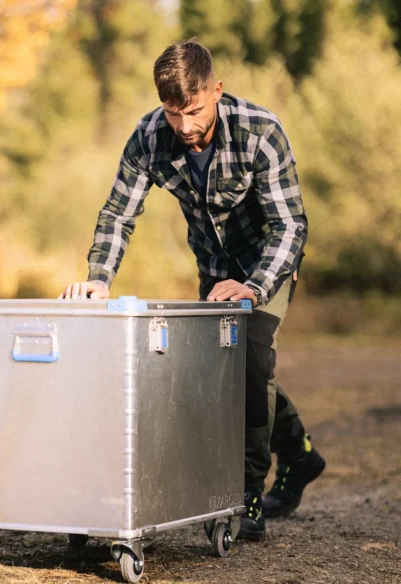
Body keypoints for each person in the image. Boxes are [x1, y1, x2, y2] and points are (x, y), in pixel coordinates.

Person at [59, 39, 325, 539]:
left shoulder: (260, 132)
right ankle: (299, 451)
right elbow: (119, 212)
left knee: (248, 358)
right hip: (212, 268)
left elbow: (290, 226)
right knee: (224, 368)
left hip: (268, 266)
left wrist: (253, 286)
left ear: (216, 91)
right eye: (173, 113)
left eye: (195, 111)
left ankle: (244, 494)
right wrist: (99, 278)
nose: (185, 126)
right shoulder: (150, 137)